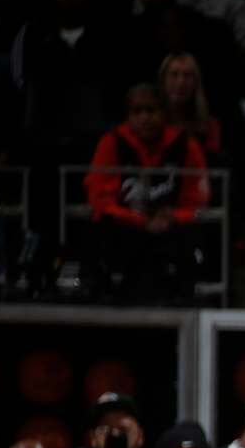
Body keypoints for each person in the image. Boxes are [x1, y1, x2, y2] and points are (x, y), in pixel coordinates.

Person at [84, 84, 210, 299]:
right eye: (137, 111)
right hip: (127, 227)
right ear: (128, 115)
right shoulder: (112, 142)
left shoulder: (184, 144)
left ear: (164, 113)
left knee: (192, 237)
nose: (145, 118)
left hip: (171, 227)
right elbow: (100, 200)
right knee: (102, 232)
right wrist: (139, 220)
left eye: (151, 110)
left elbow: (198, 199)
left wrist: (174, 216)